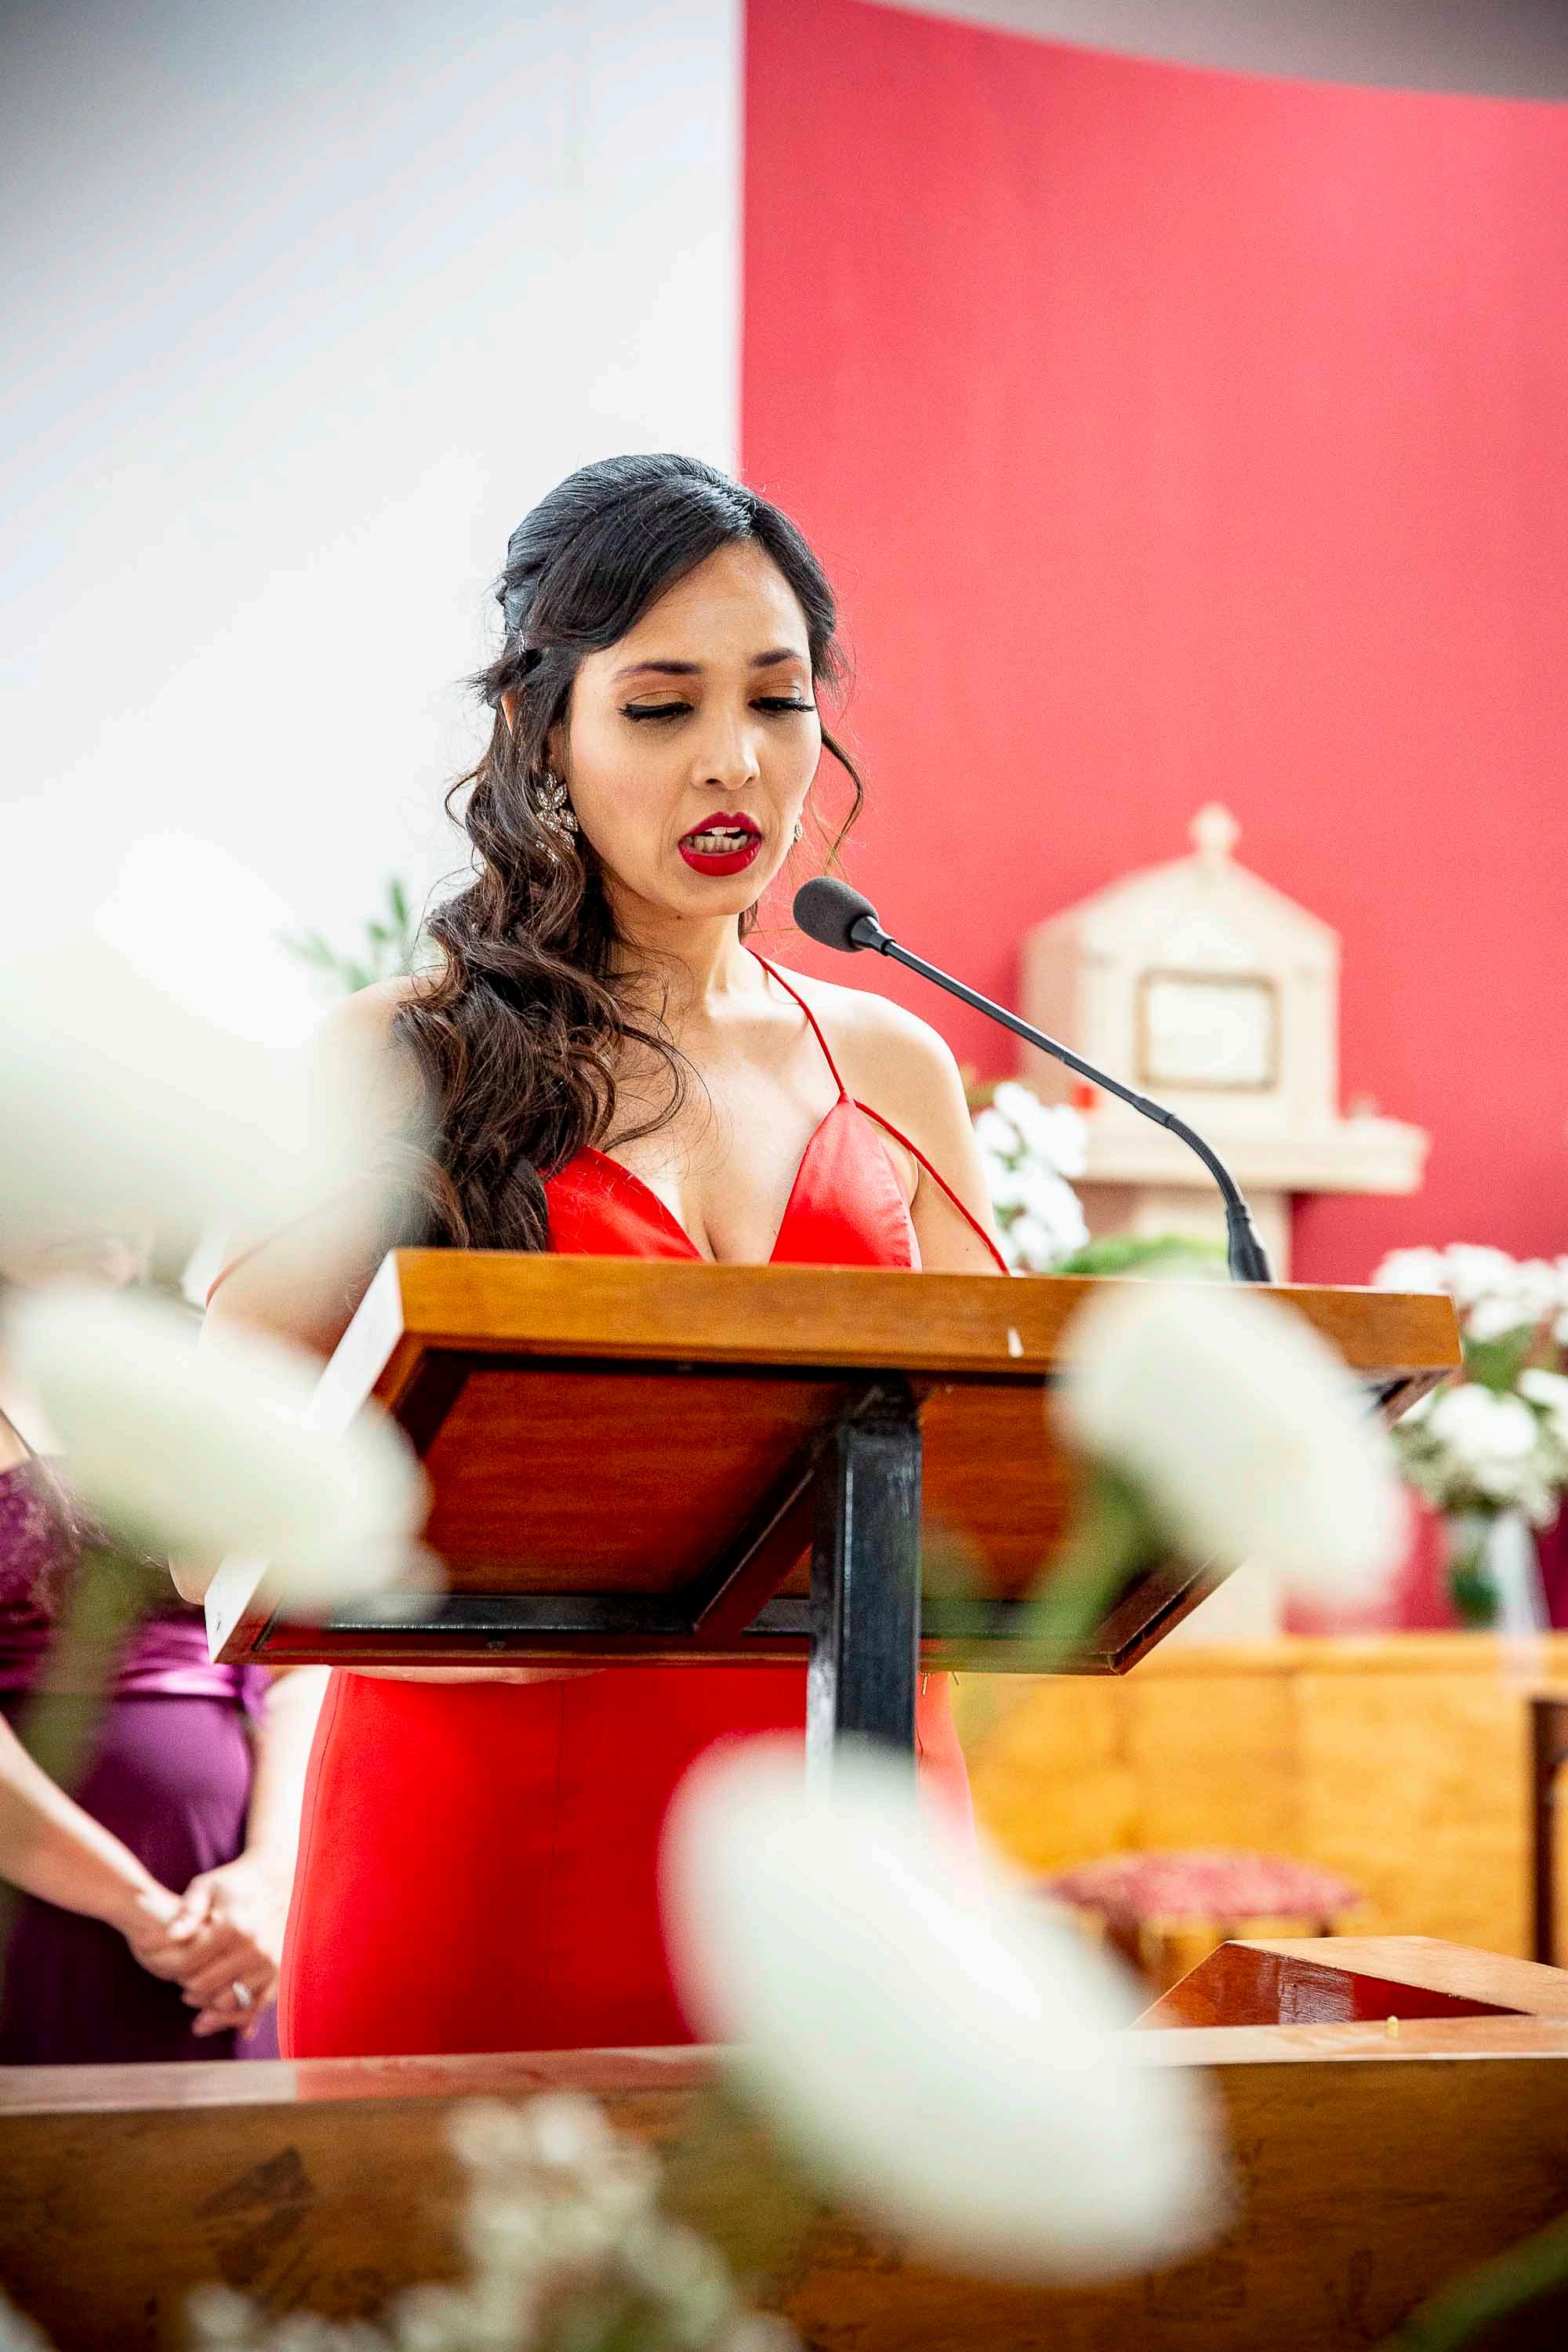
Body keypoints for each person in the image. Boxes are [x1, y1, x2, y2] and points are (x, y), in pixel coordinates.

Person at [188, 453, 1007, 2060]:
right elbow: (204, 1512)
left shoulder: (893, 1066)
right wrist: (469, 1615)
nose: (734, 759)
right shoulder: (402, 1062)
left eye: (776, 701)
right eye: (660, 705)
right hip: (499, 1841)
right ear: (541, 731)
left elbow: (988, 1476)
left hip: (857, 1866)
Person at [0, 1232, 327, 2063]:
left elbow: (300, 1650)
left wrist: (272, 1877)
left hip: (242, 1926)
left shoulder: (209, 1366)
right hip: (43, 1910)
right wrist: (140, 1909)